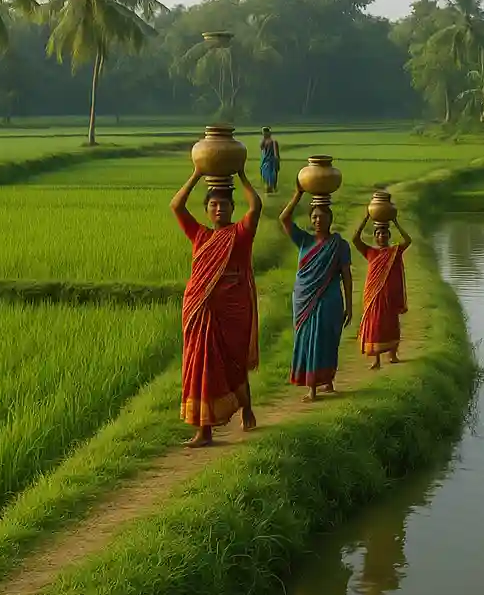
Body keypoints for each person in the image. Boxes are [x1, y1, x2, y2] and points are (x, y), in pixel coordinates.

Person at [170, 168, 263, 449]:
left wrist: (242, 174)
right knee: (202, 366)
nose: (219, 208)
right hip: (200, 311)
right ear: (207, 210)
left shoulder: (241, 233)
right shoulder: (199, 235)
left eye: (224, 204)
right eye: (213, 204)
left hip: (232, 312)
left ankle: (246, 407)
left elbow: (256, 206)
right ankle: (204, 431)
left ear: (233, 208)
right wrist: (197, 173)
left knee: (233, 366)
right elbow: (176, 205)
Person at [279, 185, 353, 401]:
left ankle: (325, 381)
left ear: (330, 219)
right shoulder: (304, 240)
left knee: (327, 339)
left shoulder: (340, 245)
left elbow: (346, 276)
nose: (318, 220)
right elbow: (284, 218)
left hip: (329, 300)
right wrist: (299, 193)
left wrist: (349, 304)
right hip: (303, 300)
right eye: (314, 217)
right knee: (307, 340)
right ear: (310, 220)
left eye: (322, 217)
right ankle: (311, 387)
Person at [352, 214, 412, 369]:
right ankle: (376, 360)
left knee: (390, 323)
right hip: (373, 294)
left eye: (384, 233)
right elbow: (355, 239)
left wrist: (395, 221)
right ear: (375, 236)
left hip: (389, 295)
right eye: (378, 233)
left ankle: (393, 355)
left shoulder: (394, 251)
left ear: (389, 235)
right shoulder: (370, 252)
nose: (381, 236)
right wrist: (365, 218)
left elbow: (408, 241)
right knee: (375, 324)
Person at [259, 127, 281, 193]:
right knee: (266, 174)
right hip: (266, 160)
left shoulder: (273, 142)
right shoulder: (264, 141)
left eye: (265, 133)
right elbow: (261, 147)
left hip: (271, 161)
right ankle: (269, 187)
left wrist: (277, 161)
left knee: (272, 175)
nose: (264, 134)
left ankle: (272, 187)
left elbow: (276, 153)